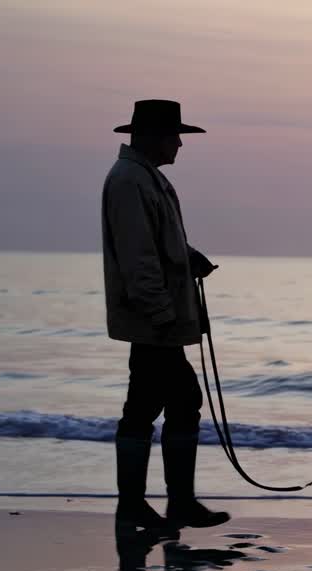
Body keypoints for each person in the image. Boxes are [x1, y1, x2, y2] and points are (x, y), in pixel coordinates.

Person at [102, 99, 229, 535]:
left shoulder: (142, 178)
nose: (179, 143)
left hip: (158, 318)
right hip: (155, 320)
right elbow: (139, 259)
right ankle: (158, 506)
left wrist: (188, 257)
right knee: (166, 404)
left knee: (159, 404)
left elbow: (156, 245)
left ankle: (156, 505)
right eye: (175, 135)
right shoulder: (130, 182)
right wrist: (161, 314)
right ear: (154, 137)